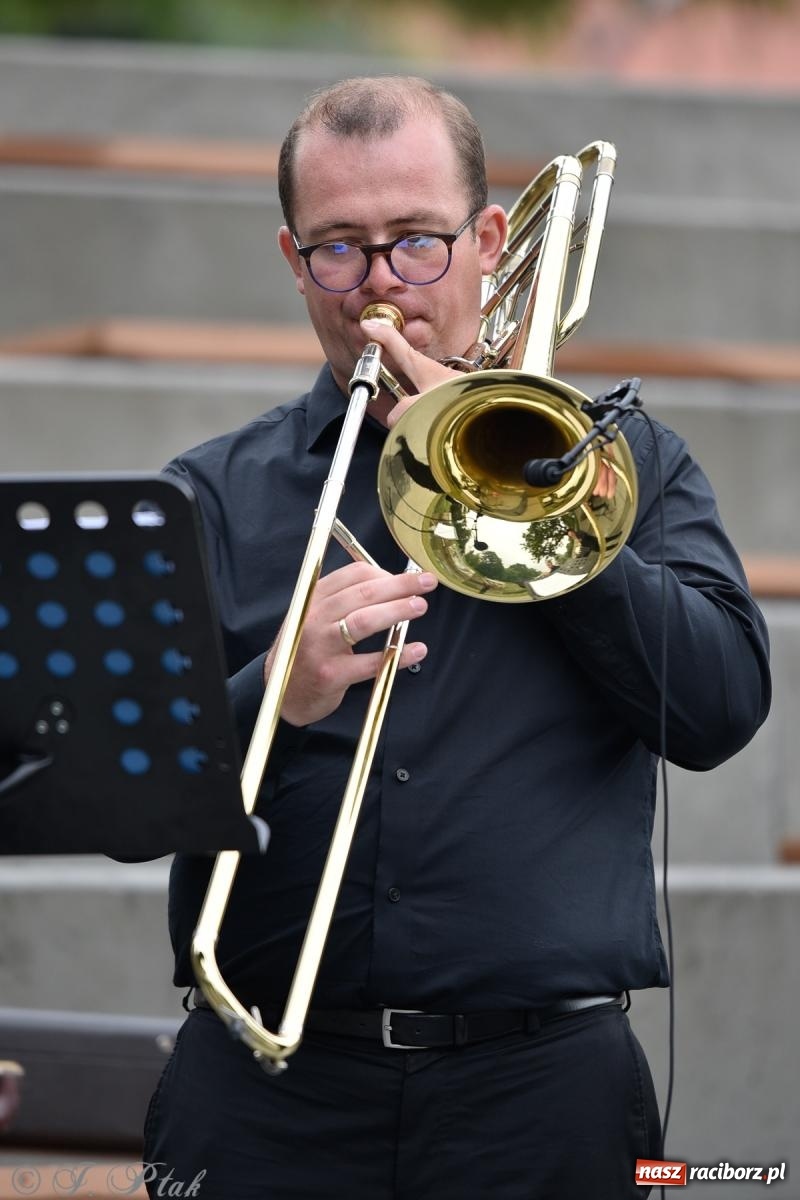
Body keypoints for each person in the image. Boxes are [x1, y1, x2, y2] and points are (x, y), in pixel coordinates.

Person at [143, 76, 771, 1200]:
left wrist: (544, 527)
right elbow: (120, 811)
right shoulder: (211, 496)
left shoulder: (623, 472)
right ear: (293, 262)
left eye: (416, 243)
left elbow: (718, 710)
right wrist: (270, 691)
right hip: (266, 1095)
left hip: (543, 1092)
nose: (379, 285)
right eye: (339, 249)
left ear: (487, 239)